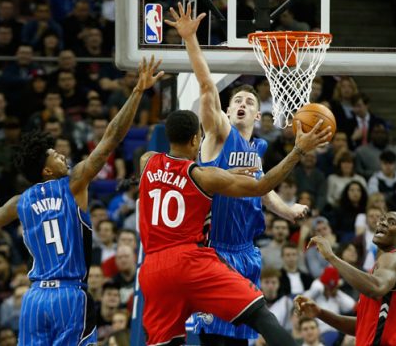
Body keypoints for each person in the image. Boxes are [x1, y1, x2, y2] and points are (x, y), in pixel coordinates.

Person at [0, 57, 164, 345]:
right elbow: (111, 137)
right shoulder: (73, 184)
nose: (62, 156)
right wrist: (137, 92)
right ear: (46, 170)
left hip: (34, 300)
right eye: (55, 156)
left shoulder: (21, 201)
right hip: (68, 296)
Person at [166, 2, 312, 345]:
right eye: (237, 101)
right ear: (227, 112)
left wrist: (287, 210)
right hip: (216, 251)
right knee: (216, 338)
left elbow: (261, 189)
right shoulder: (218, 136)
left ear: (259, 117)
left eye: (249, 100)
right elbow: (205, 88)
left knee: (240, 339)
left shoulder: (258, 151)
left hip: (248, 252)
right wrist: (190, 40)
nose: (243, 103)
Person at [138, 109, 331, 346]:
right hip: (190, 261)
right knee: (261, 315)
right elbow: (262, 187)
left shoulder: (146, 161)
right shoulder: (204, 177)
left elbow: (173, 181)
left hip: (153, 268)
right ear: (196, 140)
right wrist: (298, 150)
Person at [295, 211, 396, 345]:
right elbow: (362, 325)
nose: (383, 223)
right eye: (382, 219)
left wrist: (332, 257)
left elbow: (376, 288)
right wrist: (320, 313)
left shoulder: (394, 258)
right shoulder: (378, 270)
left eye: (391, 222)